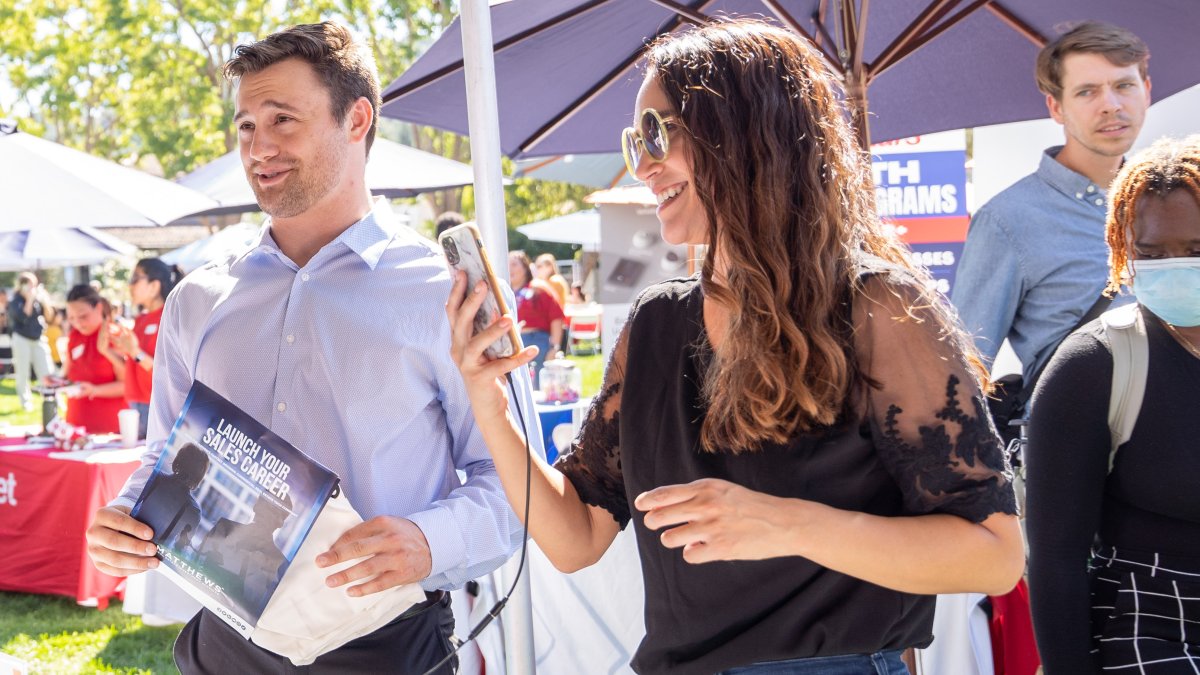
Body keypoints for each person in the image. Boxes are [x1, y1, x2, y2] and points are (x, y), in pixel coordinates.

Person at [448, 20, 1023, 675]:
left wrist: (789, 523)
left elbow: (994, 553)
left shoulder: (875, 307)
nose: (642, 163)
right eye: (635, 140)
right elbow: (577, 535)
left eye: (659, 132)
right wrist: (488, 402)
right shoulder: (655, 324)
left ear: (744, 132)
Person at [84, 22, 528, 674]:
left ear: (357, 119)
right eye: (244, 126)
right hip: (226, 638)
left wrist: (429, 541)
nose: (258, 146)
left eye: (282, 119)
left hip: (385, 641)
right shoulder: (198, 300)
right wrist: (126, 517)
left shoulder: (447, 293)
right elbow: (167, 451)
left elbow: (516, 487)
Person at [1026, 136, 1200, 673]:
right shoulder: (1095, 364)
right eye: (1151, 254)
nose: (1176, 265)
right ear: (1123, 248)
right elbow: (1056, 560)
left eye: (1196, 249)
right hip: (1150, 628)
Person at [953, 21, 1150, 384]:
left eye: (1124, 85)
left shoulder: (1172, 203)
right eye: (1087, 92)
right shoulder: (1007, 221)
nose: (1111, 105)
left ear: (1146, 91)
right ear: (1056, 107)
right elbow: (963, 370)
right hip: (1077, 435)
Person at [109, 259, 184, 439]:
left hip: (157, 406)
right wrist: (107, 350)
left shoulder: (170, 317)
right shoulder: (141, 319)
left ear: (154, 285)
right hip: (134, 402)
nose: (130, 285)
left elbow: (168, 370)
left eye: (135, 279)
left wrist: (135, 352)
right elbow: (134, 362)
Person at [62, 284, 125, 433]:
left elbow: (126, 385)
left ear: (98, 308)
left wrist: (95, 390)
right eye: (71, 318)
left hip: (108, 428)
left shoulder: (114, 336)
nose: (78, 323)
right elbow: (68, 374)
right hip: (75, 427)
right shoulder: (74, 336)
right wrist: (55, 382)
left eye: (83, 316)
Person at [508, 249, 564, 379]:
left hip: (537, 343)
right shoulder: (504, 291)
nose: (510, 268)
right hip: (513, 344)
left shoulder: (538, 288)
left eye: (514, 264)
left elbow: (556, 317)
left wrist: (555, 347)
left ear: (525, 267)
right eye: (507, 264)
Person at [8, 272, 55, 410]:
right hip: (21, 338)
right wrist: (29, 299)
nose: (31, 288)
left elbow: (49, 315)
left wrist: (44, 299)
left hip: (37, 338)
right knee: (23, 371)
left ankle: (51, 397)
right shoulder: (15, 301)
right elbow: (24, 316)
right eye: (29, 285)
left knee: (46, 370)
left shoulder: (38, 299)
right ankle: (25, 402)